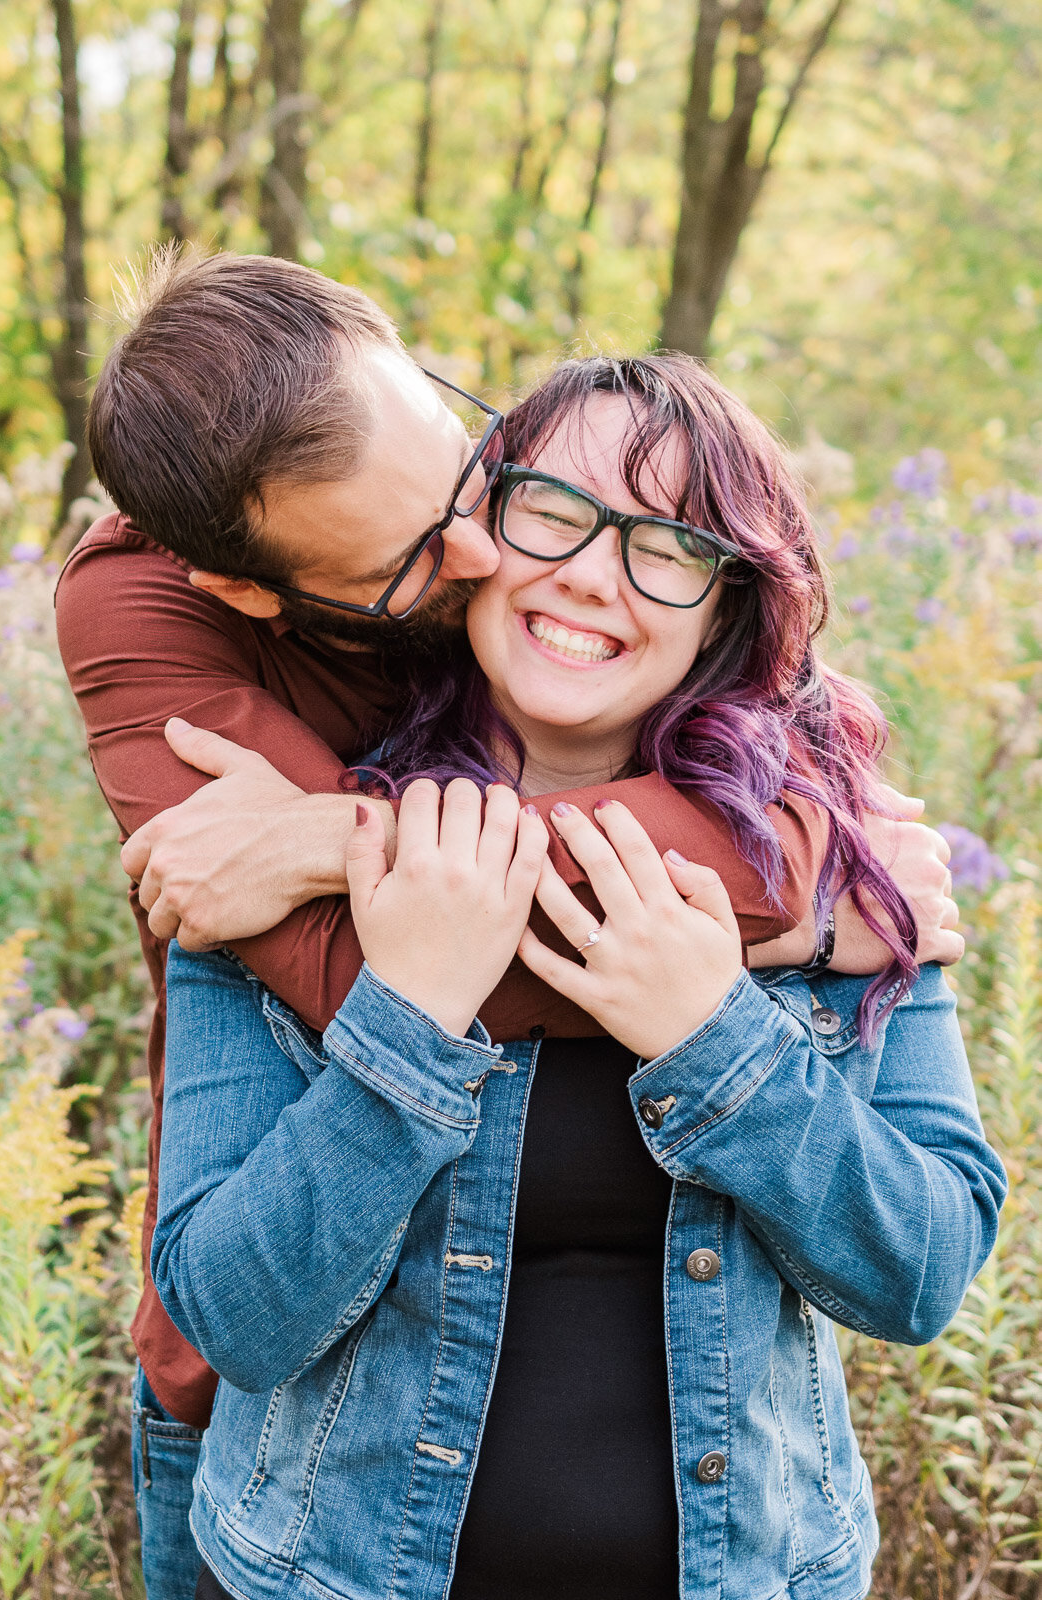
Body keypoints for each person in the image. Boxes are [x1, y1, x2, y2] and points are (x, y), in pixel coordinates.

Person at [58, 253, 960, 1597]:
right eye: (550, 511)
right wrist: (406, 992)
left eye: (667, 544)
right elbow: (234, 1308)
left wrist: (717, 1033)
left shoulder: (828, 838)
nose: (529, 559)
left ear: (730, 595)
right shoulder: (245, 833)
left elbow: (922, 1268)